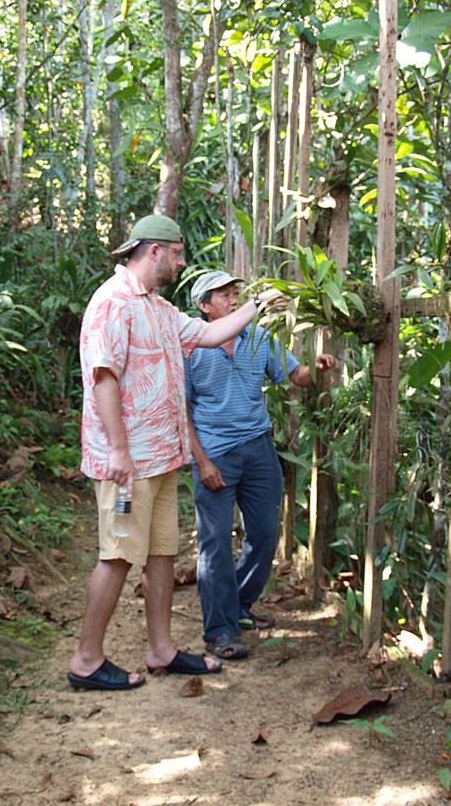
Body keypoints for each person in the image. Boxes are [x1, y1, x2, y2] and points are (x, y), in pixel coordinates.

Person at [68, 216, 282, 691]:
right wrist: (119, 451)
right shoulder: (112, 303)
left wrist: (259, 304)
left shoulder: (160, 310)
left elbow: (208, 334)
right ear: (154, 251)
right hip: (128, 464)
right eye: (178, 252)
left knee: (163, 552)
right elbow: (103, 378)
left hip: (162, 458)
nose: (183, 261)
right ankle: (86, 659)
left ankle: (161, 649)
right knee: (118, 555)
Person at [185, 270, 339, 660]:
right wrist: (202, 460)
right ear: (204, 307)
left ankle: (238, 604)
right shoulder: (190, 348)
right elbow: (180, 409)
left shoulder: (259, 338)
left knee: (265, 533)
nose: (234, 298)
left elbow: (295, 376)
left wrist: (315, 369)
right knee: (215, 542)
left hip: (258, 449)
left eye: (236, 292)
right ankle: (219, 631)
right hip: (215, 454)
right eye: (223, 295)